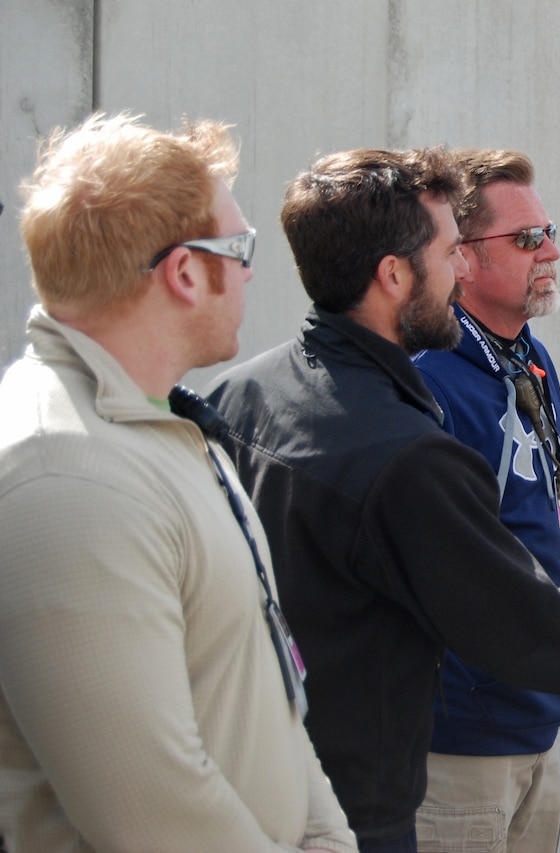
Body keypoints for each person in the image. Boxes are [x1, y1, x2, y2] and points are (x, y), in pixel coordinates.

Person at [203, 146, 560, 853]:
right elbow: (518, 620)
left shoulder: (236, 396)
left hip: (312, 768)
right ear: (393, 274)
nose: (458, 271)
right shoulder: (405, 447)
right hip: (401, 787)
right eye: (453, 250)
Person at [0, 113, 356, 852]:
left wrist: (325, 832)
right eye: (242, 248)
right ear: (185, 271)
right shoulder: (68, 477)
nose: (255, 271)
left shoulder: (161, 426)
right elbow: (155, 814)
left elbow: (265, 691)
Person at [409, 149, 560, 852]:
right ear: (463, 259)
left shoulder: (528, 357)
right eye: (528, 239)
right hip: (461, 750)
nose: (552, 251)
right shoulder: (426, 377)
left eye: (549, 231)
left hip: (537, 723)